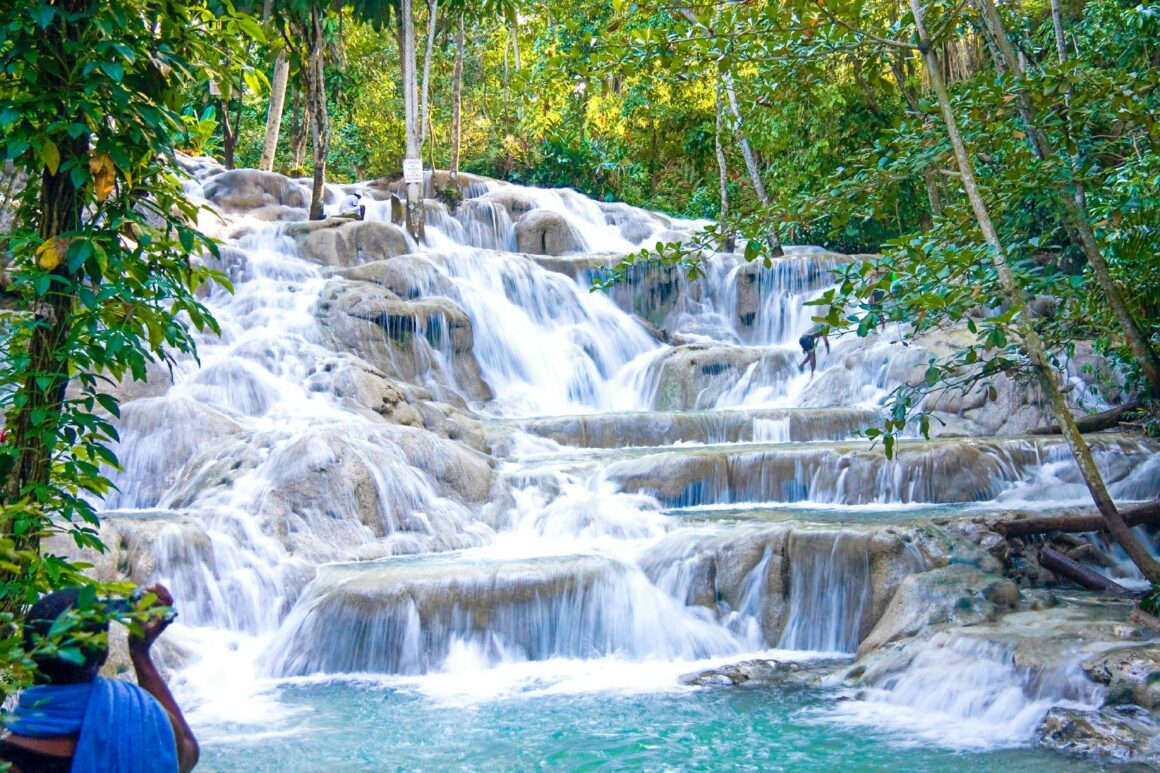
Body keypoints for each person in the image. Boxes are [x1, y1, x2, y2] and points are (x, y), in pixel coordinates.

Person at [0, 584, 199, 773]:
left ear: (27, 655)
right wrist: (140, 653)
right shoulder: (145, 719)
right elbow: (188, 750)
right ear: (104, 654)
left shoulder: (8, 761)